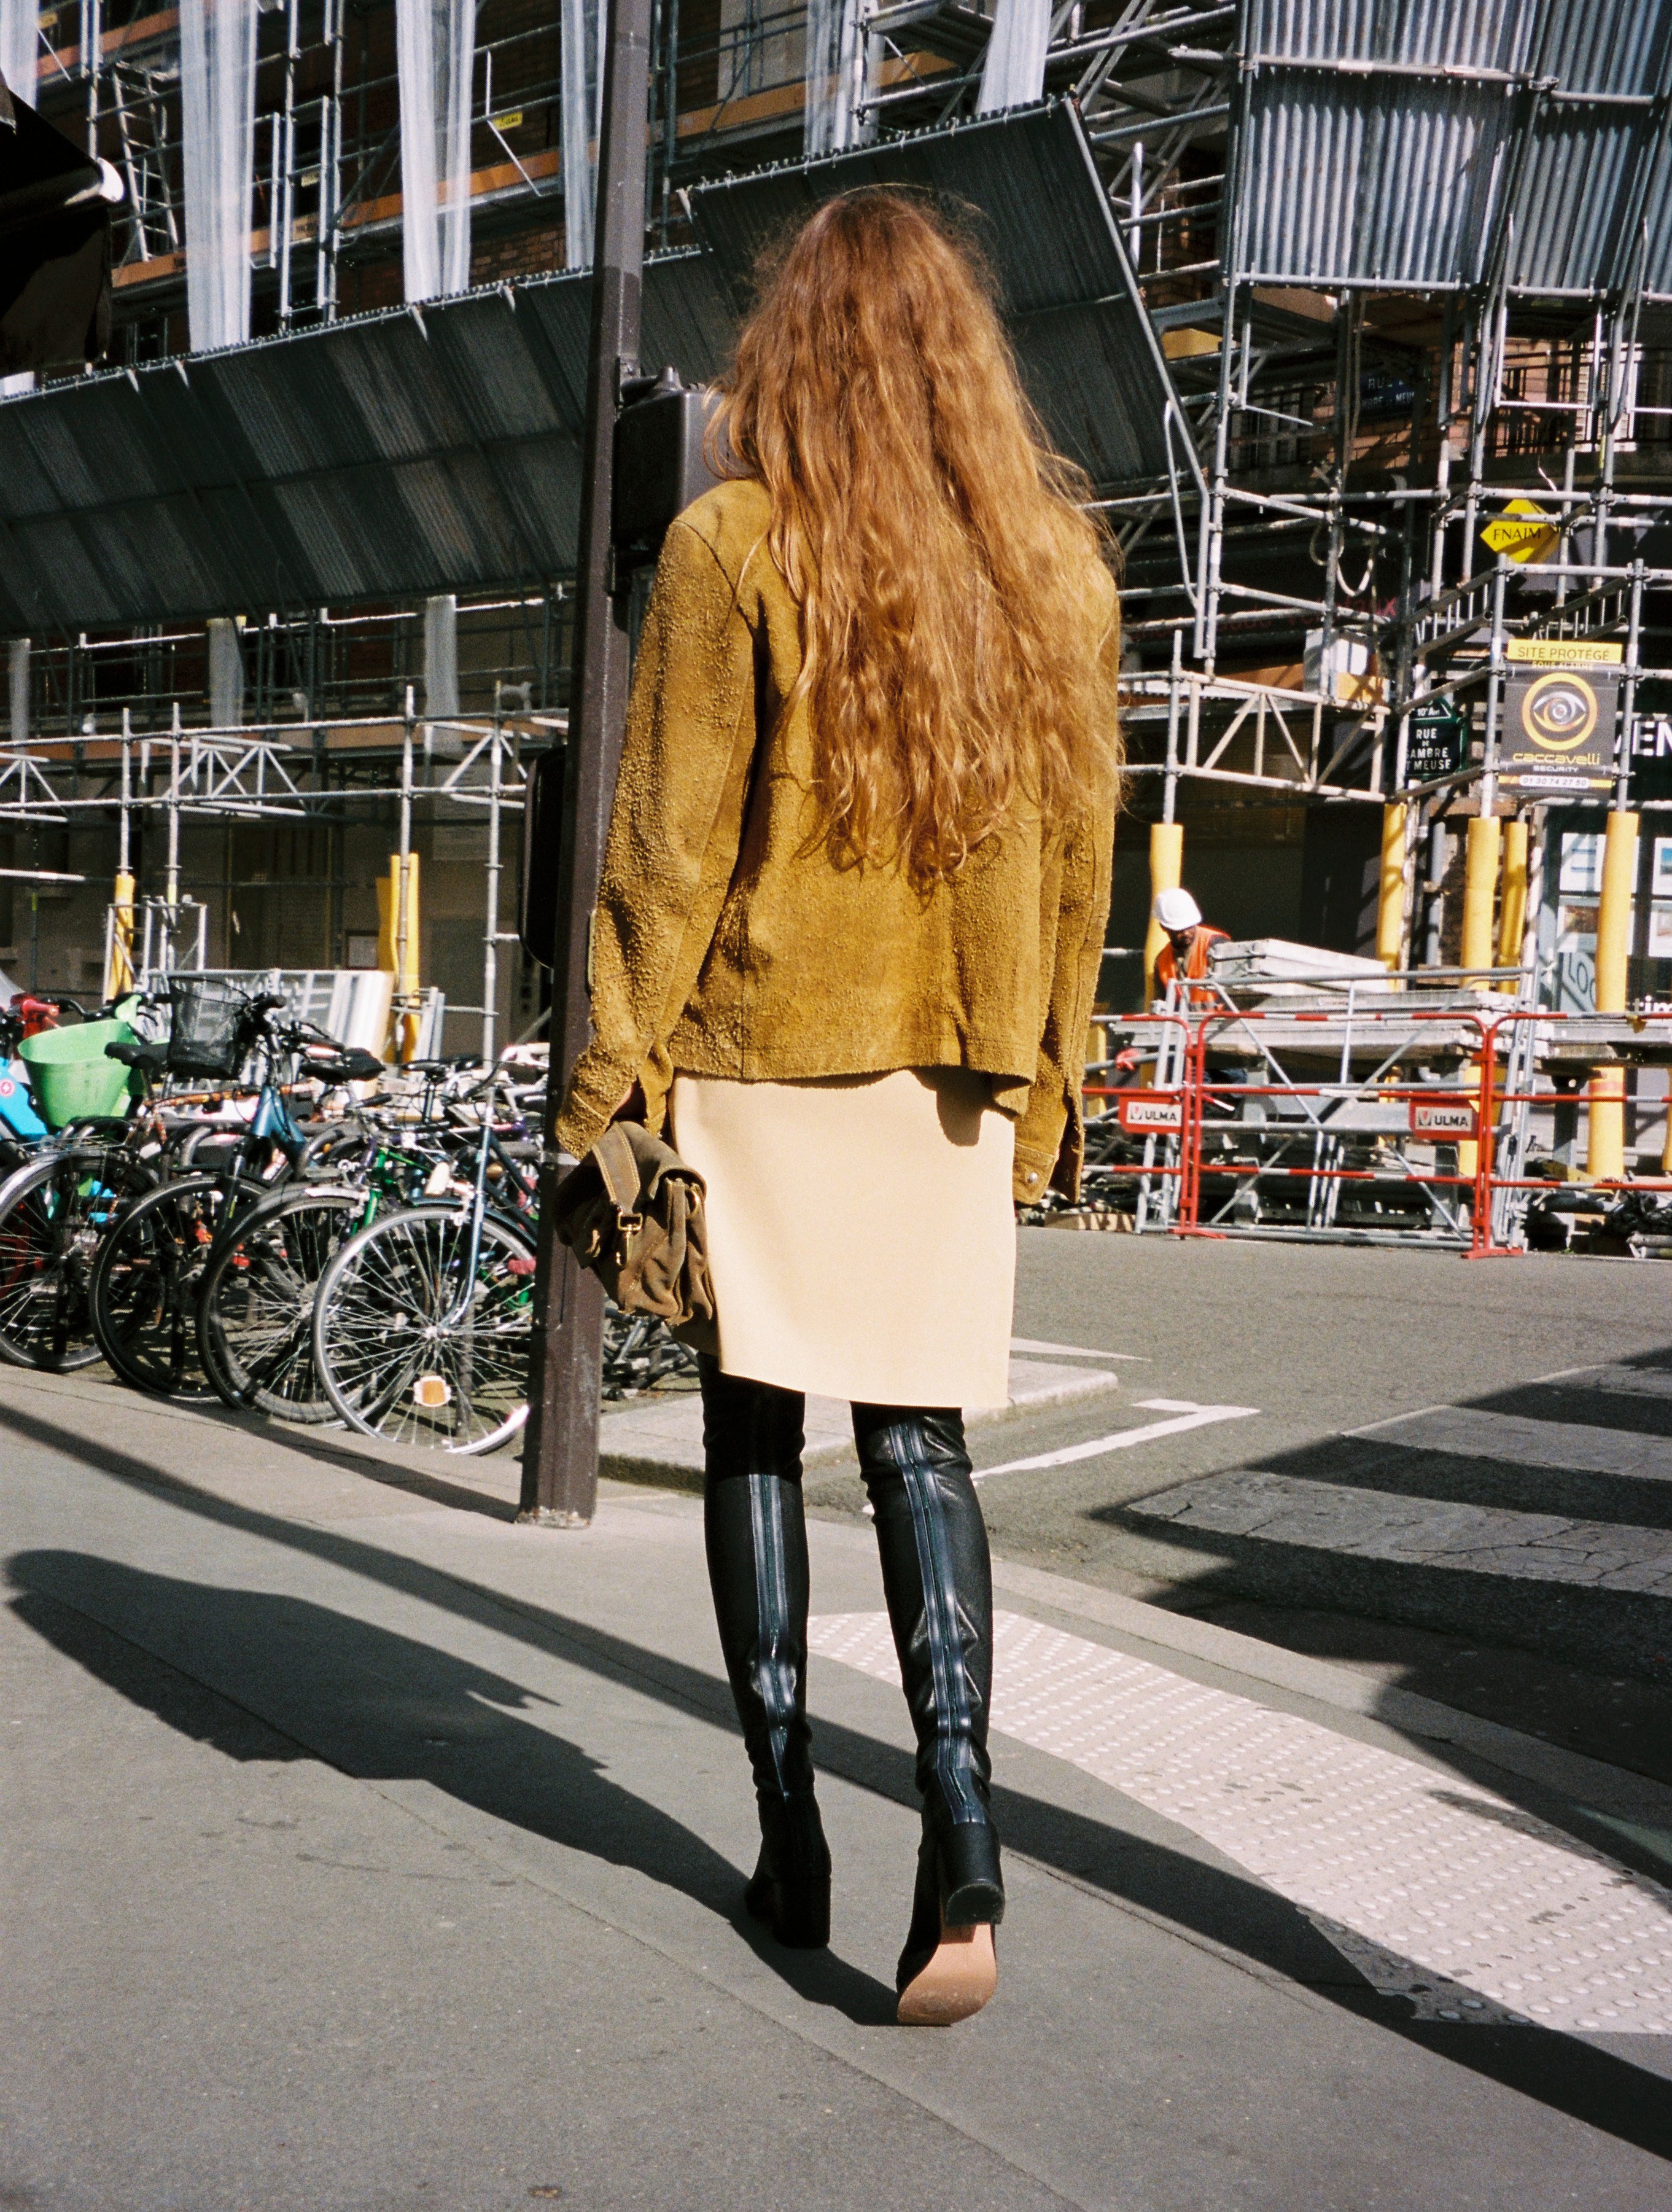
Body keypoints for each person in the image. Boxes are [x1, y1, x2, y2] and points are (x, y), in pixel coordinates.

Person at [557, 190, 1120, 2026]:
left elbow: (663, 851)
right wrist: (1048, 1092)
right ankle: (960, 1823)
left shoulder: (731, 544)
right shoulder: (1052, 568)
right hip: (951, 1071)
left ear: (790, 353)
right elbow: (1084, 875)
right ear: (965, 365)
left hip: (760, 1051)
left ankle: (789, 1826)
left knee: (750, 1429)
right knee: (918, 1444)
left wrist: (603, 1096)